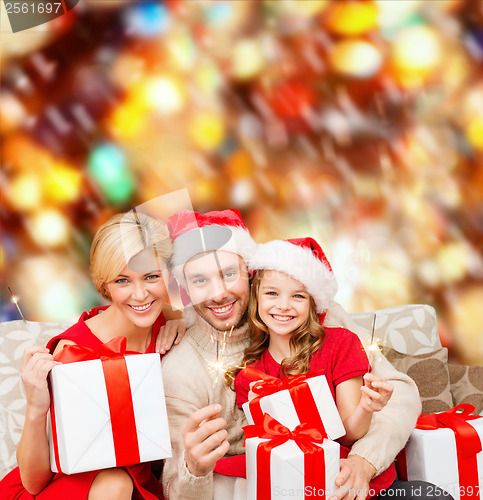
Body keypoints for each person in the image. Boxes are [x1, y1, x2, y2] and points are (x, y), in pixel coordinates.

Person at [160, 209, 443, 500]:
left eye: (229, 274)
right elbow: (173, 486)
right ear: (185, 288)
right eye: (199, 281)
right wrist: (194, 469)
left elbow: (400, 394)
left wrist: (364, 461)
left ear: (250, 272)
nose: (218, 293)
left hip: (351, 476)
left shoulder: (318, 316)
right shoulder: (181, 368)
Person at [0, 211, 183, 500]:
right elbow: (34, 483)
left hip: (136, 486)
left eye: (151, 276)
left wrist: (182, 323)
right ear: (105, 285)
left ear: (169, 275)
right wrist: (36, 409)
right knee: (115, 482)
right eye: (122, 281)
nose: (140, 294)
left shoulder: (167, 321)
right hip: (67, 489)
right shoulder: (74, 352)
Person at [232, 237, 395, 495]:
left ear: (312, 304)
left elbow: (349, 433)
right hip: (291, 486)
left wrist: (366, 407)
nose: (283, 305)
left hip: (343, 477)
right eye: (272, 293)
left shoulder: (341, 344)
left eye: (298, 295)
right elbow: (270, 455)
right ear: (256, 299)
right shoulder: (249, 377)